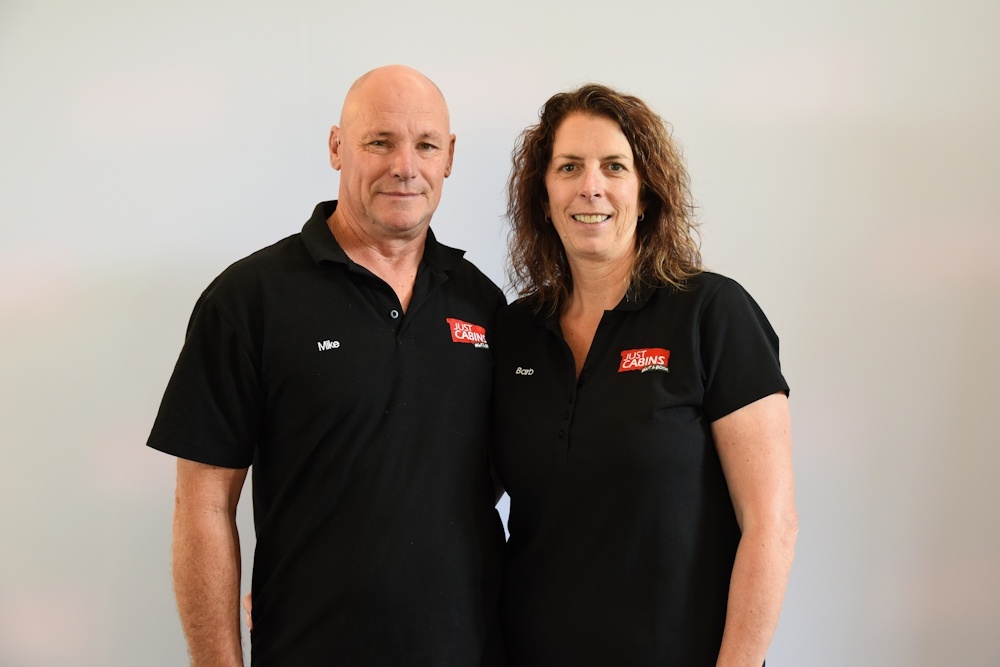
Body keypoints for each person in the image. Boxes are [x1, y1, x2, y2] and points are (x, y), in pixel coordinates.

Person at [147, 65, 506, 666]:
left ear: (449, 157)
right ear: (337, 147)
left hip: (469, 649)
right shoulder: (250, 301)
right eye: (380, 142)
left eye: (425, 145)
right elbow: (203, 504)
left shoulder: (483, 303)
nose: (405, 166)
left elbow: (491, 470)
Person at [491, 84, 798, 666]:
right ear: (544, 196)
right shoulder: (513, 332)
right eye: (569, 167)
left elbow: (772, 526)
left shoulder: (712, 314)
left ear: (646, 194)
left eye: (614, 166)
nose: (591, 186)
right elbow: (458, 498)